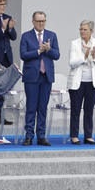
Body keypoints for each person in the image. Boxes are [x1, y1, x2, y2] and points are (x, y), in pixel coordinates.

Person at [20, 11, 59, 146]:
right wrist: (38, 51)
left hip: (46, 76)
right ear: (33, 22)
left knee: (43, 108)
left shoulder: (52, 35)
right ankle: (29, 135)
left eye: (43, 21)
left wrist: (48, 49)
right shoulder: (26, 36)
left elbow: (57, 55)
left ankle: (41, 136)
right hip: (32, 76)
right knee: (31, 107)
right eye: (38, 21)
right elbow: (23, 55)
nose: (41, 23)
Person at [67, 20, 95, 145]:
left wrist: (93, 56)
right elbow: (72, 63)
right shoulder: (75, 43)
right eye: (81, 29)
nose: (82, 31)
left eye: (85, 29)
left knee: (89, 109)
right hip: (77, 82)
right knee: (75, 109)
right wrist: (84, 56)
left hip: (93, 82)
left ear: (91, 31)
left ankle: (88, 135)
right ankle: (74, 135)